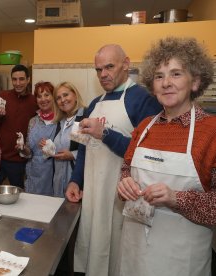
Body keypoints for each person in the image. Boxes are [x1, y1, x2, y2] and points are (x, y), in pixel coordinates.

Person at [116, 37, 215, 276]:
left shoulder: (211, 131)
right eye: (159, 76)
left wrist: (175, 198)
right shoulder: (144, 127)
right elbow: (126, 169)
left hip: (181, 258)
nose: (166, 83)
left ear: (196, 82)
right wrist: (125, 184)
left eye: (176, 74)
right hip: (134, 250)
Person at [65, 44, 162, 275]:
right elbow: (84, 148)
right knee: (93, 246)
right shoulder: (93, 104)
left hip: (121, 196)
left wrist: (105, 134)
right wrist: (75, 181)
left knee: (118, 253)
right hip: (93, 193)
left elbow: (148, 155)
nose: (103, 75)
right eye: (98, 70)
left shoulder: (144, 100)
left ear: (126, 64)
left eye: (109, 67)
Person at [0, 64, 38, 187]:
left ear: (28, 80)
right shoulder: (3, 95)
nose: (17, 83)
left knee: (18, 195)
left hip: (19, 160)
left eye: (21, 79)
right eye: (14, 79)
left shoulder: (34, 101)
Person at [19, 81, 57, 196]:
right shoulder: (33, 121)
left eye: (47, 95)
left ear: (53, 97)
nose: (43, 99)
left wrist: (51, 148)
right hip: (34, 172)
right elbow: (29, 152)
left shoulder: (61, 119)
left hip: (54, 172)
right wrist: (22, 148)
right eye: (39, 96)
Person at [52, 82, 86, 198]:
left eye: (66, 95)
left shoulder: (83, 118)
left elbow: (91, 149)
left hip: (76, 182)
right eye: (58, 98)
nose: (63, 100)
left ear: (75, 96)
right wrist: (48, 147)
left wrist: (72, 155)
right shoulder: (60, 122)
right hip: (58, 183)